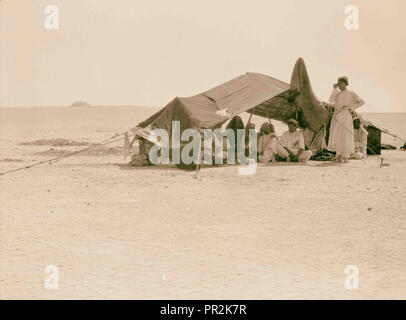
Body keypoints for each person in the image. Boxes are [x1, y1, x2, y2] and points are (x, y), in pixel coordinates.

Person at [328, 76, 365, 163]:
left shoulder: (352, 93)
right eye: (338, 83)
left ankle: (345, 156)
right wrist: (334, 89)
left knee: (345, 135)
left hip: (345, 115)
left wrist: (350, 108)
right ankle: (338, 155)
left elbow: (362, 102)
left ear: (345, 83)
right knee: (337, 135)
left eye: (340, 83)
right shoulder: (337, 93)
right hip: (337, 116)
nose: (339, 85)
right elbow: (331, 100)